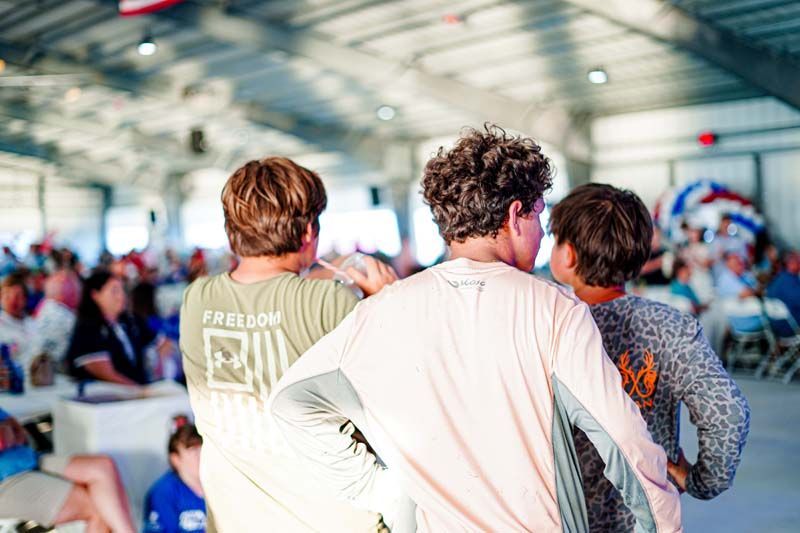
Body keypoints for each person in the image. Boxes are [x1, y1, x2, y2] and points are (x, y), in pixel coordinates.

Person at [269, 126, 682, 532]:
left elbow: (289, 402)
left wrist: (380, 489)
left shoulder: (378, 312)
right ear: (516, 214)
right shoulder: (554, 309)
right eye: (539, 217)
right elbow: (625, 440)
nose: (540, 235)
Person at [180, 157, 398, 532]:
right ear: (308, 231)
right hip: (330, 518)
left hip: (236, 519)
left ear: (233, 231)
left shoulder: (196, 299)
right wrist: (386, 304)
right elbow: (394, 397)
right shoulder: (328, 301)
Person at [548, 183, 750, 532]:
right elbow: (726, 411)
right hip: (646, 517)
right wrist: (701, 480)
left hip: (559, 515)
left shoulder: (545, 327)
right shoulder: (670, 326)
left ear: (567, 256)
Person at [0, 407, 135, 532]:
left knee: (104, 466)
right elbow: (4, 436)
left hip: (27, 458)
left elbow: (16, 429)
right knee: (98, 509)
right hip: (6, 480)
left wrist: (7, 431)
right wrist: (6, 431)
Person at [65, 270, 156, 385]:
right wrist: (142, 392)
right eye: (114, 291)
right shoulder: (88, 329)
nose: (121, 296)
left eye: (122, 290)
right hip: (108, 397)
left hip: (139, 392)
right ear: (95, 295)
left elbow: (162, 344)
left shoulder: (130, 322)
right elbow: (107, 374)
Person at [144, 421, 206, 533]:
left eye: (201, 447)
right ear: (175, 459)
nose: (201, 455)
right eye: (192, 450)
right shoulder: (162, 493)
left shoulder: (221, 485)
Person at [31, 269, 81, 369]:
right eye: (74, 287)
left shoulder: (47, 306)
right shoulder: (63, 317)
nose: (78, 292)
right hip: (54, 375)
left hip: (43, 371)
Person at [0, 272, 36, 371]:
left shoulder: (32, 323)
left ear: (25, 299)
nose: (12, 301)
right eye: (7, 295)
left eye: (17, 296)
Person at [767, 251, 800, 323]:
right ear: (791, 264)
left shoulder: (779, 278)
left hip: (777, 323)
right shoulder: (789, 282)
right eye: (798, 260)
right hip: (789, 325)